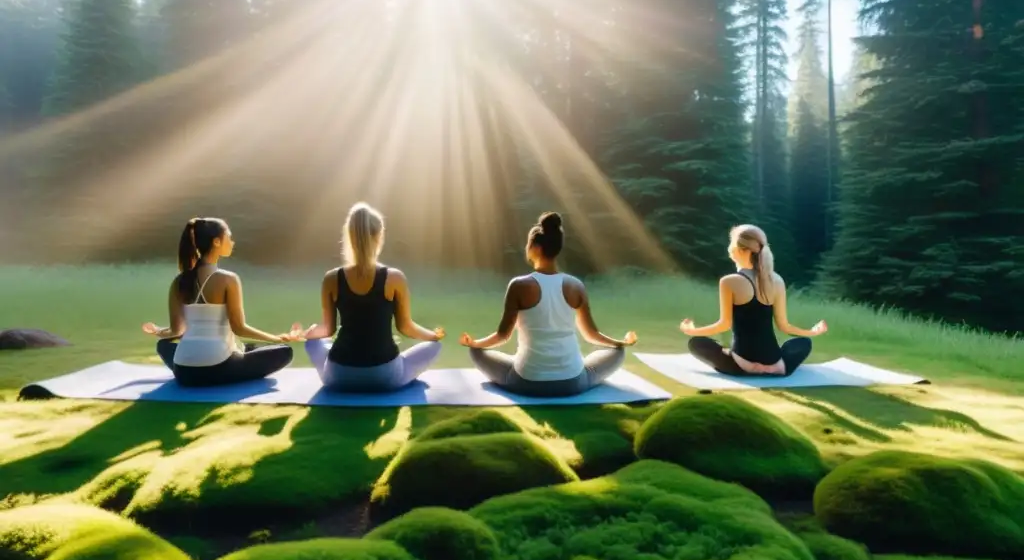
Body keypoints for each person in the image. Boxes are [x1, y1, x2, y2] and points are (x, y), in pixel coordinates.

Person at [460, 212, 637, 397]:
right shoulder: (575, 285)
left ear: (535, 247)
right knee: (618, 353)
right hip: (573, 382)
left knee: (476, 352)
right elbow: (591, 335)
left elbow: (503, 336)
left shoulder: (519, 285)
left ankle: (516, 364)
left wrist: (475, 343)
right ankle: (582, 367)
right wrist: (620, 343)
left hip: (526, 382)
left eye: (528, 244)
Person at [300, 202, 444, 392]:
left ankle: (334, 372)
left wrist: (308, 332)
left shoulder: (331, 278)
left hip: (339, 375)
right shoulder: (394, 278)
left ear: (350, 237)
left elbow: (327, 329)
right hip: (384, 375)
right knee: (435, 347)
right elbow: (406, 327)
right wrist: (433, 336)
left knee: (313, 342)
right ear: (379, 237)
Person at [142, 217, 298, 387]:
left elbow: (176, 330)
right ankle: (229, 362)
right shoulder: (227, 279)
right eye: (228, 237)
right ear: (216, 242)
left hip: (184, 371)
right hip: (218, 368)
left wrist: (158, 331)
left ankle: (215, 357)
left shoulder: (179, 281)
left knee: (163, 345)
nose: (232, 242)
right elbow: (239, 328)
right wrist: (276, 338)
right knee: (285, 352)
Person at [680, 224, 827, 377]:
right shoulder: (777, 281)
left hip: (741, 363)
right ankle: (776, 368)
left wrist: (692, 330)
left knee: (696, 343)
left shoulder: (729, 281)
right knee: (804, 343)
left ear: (739, 249)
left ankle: (742, 366)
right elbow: (784, 326)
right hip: (775, 363)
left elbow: (724, 324)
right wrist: (811, 332)